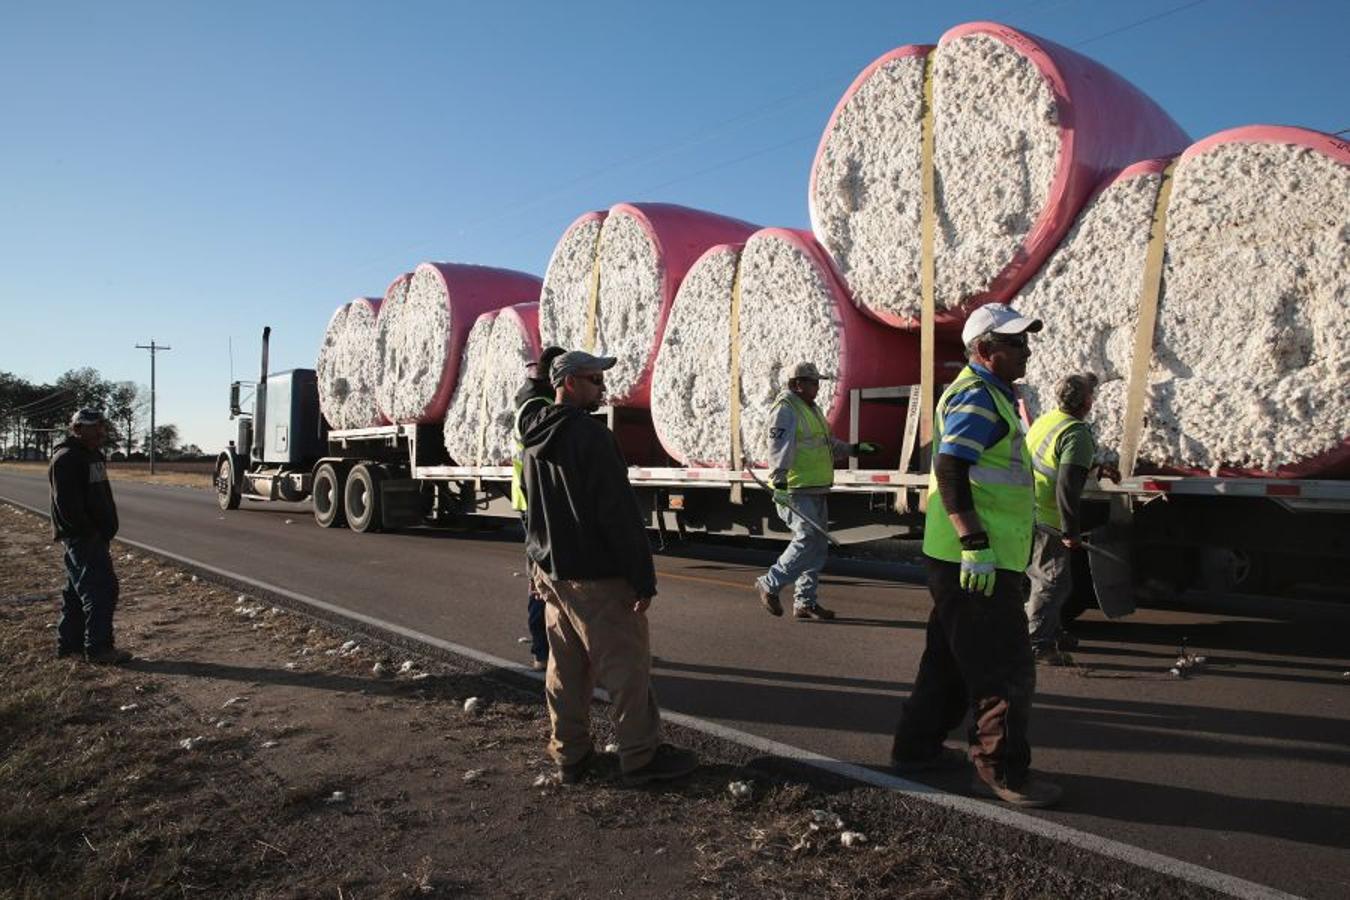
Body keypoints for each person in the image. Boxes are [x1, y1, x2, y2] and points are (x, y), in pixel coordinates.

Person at [890, 303, 1061, 808]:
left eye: (1027, 340)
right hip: (975, 559)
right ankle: (1004, 770)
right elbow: (950, 469)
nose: (1027, 349)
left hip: (965, 557)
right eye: (1016, 343)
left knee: (947, 661)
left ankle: (915, 749)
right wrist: (975, 543)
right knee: (1005, 669)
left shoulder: (992, 395)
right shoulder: (979, 397)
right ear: (986, 351)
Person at [520, 350, 697, 786]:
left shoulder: (532, 438)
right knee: (627, 668)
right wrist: (642, 577)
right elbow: (618, 515)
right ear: (568, 384)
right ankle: (640, 756)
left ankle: (571, 755)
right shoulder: (591, 437)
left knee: (566, 669)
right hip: (596, 574)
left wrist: (534, 567)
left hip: (553, 573)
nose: (603, 387)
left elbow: (529, 512)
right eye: (595, 379)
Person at [754, 361, 880, 621]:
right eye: (813, 382)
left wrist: (854, 449)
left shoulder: (811, 409)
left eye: (818, 382)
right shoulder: (786, 410)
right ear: (798, 384)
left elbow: (827, 444)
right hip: (796, 488)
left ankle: (805, 602)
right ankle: (770, 582)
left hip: (816, 487)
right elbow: (777, 448)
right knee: (807, 538)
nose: (817, 387)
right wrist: (779, 483)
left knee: (817, 547)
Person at [1025, 373, 1100, 665]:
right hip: (1049, 517)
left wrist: (1095, 466)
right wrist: (1071, 530)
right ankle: (1037, 642)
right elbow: (1066, 487)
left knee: (1050, 579)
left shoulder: (1047, 420)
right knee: (1051, 581)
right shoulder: (1077, 433)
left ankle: (1052, 630)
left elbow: (1052, 462)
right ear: (1087, 401)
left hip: (1029, 508)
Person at [49, 408, 130, 664]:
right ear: (77, 429)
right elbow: (68, 506)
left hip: (95, 536)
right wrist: (89, 532)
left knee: (75, 593)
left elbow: (100, 495)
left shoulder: (92, 455)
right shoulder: (66, 458)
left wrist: (106, 528)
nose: (99, 431)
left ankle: (69, 647)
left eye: (100, 426)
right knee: (101, 590)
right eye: (92, 427)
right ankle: (99, 649)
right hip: (83, 538)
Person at [511, 344, 568, 672]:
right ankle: (542, 650)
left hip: (538, 501)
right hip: (535, 504)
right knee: (542, 578)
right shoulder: (535, 404)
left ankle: (554, 645)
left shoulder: (537, 398)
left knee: (550, 576)